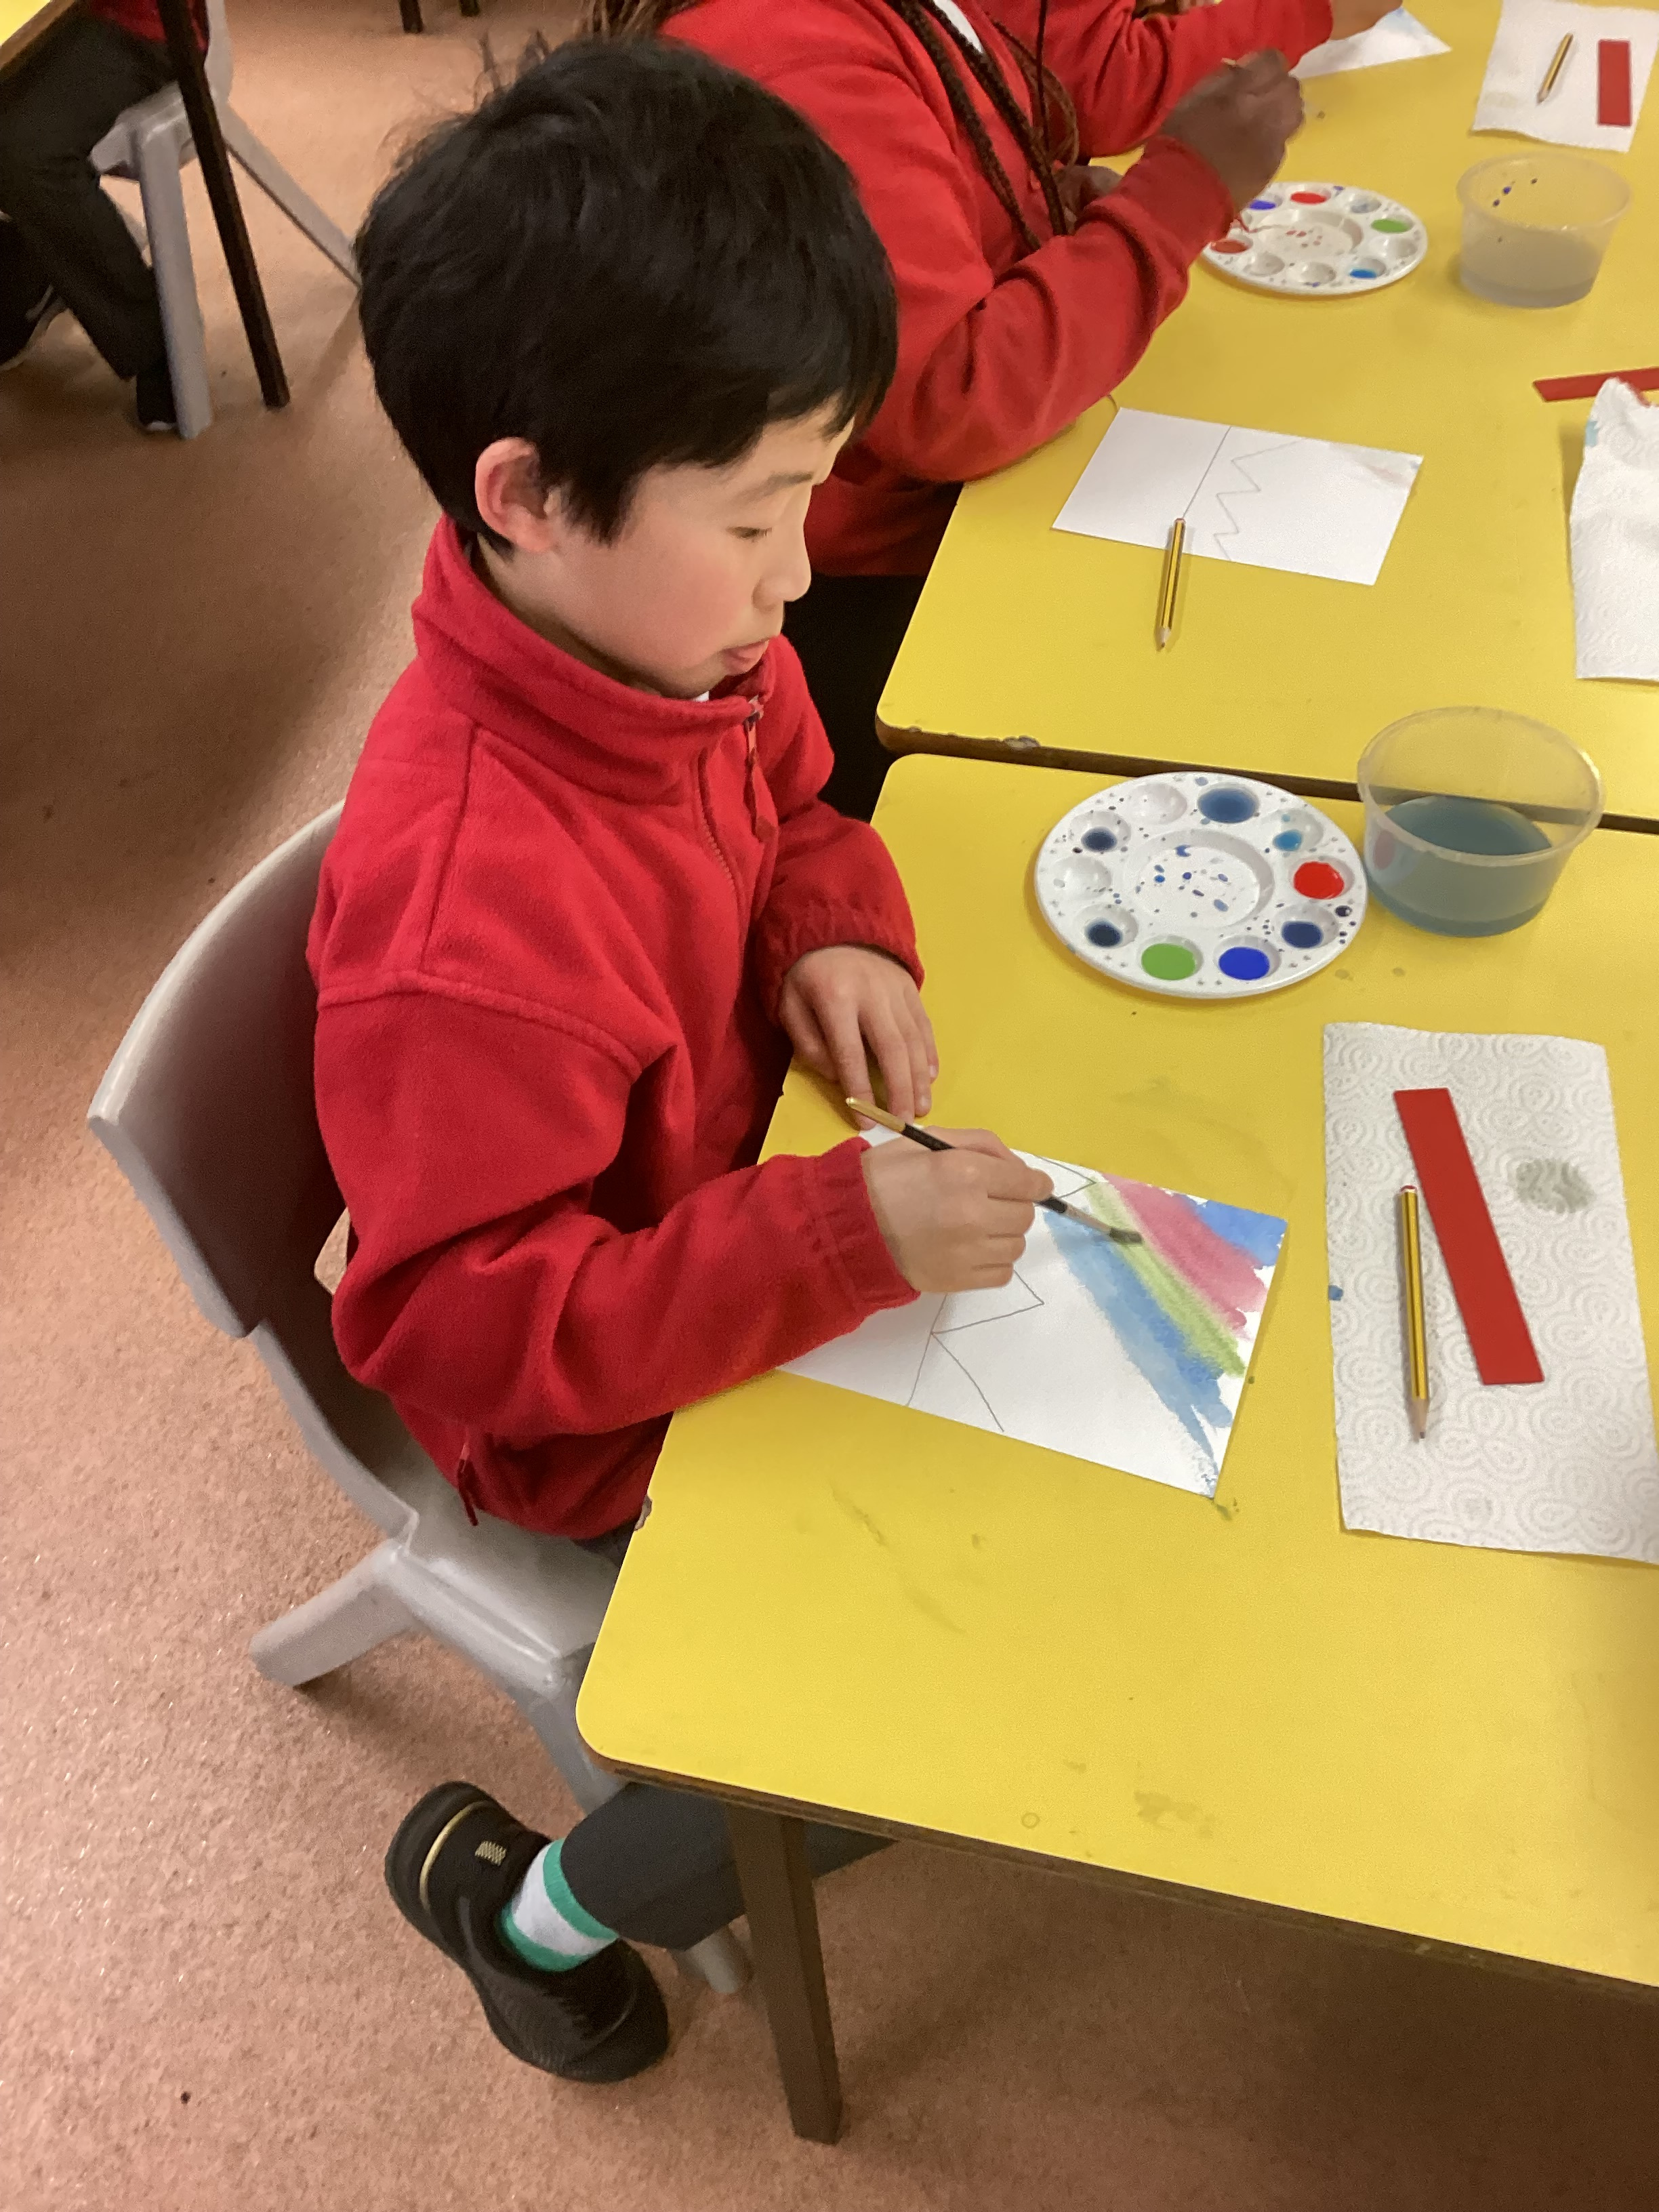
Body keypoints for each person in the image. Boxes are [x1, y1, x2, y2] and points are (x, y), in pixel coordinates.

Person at [316, 38, 1055, 2083]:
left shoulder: (679, 640)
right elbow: (459, 1328)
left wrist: (838, 927)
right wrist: (831, 1239)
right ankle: (533, 1905)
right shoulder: (469, 930)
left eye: (806, 498)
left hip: (750, 1214)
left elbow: (802, 806)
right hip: (601, 1413)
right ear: (527, 501)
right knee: (944, 1716)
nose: (800, 574)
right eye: (754, 517)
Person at [583, 0, 1393, 817]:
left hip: (970, 512)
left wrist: (1040, 223)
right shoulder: (798, 51)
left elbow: (995, 149)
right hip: (888, 583)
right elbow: (952, 401)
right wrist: (1180, 195)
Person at [0, 0, 199, 430]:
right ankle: (30, 258)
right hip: (44, 20)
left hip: (138, 25)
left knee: (23, 154)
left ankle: (156, 338)